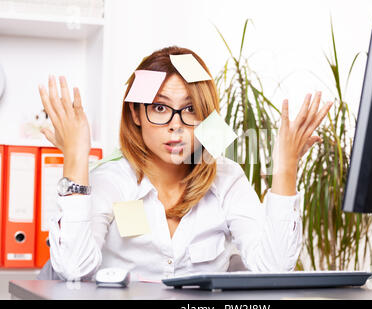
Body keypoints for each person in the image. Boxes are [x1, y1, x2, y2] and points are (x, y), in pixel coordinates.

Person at [37, 46, 332, 281]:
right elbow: (74, 270)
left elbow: (275, 269)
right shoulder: (112, 179)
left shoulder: (227, 178)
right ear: (136, 115)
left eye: (190, 109)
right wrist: (75, 157)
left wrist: (286, 168)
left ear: (207, 117)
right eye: (160, 107)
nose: (175, 125)